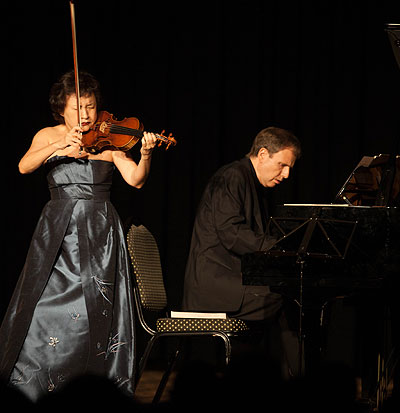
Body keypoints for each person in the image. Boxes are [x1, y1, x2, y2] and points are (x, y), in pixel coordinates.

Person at [0, 70, 157, 402]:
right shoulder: (49, 134)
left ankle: (94, 385)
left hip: (101, 228)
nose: (86, 115)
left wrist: (144, 155)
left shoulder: (108, 138)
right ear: (62, 109)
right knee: (43, 306)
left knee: (96, 309)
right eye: (78, 108)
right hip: (58, 228)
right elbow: (24, 167)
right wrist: (61, 144)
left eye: (90, 106)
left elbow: (136, 180)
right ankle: (34, 384)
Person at [182, 127, 301, 373]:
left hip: (234, 280)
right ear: (263, 154)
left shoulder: (254, 183)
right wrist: (279, 248)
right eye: (282, 165)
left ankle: (264, 374)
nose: (287, 174)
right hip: (214, 285)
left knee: (292, 295)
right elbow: (231, 234)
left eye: (289, 167)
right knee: (286, 297)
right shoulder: (232, 177)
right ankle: (301, 385)